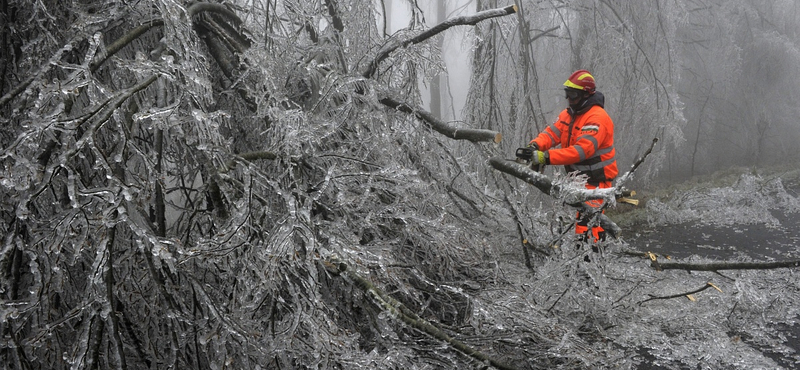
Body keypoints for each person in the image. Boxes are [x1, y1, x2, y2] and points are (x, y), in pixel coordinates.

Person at [523, 69, 618, 242]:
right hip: (578, 180)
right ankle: (580, 260)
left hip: (597, 182)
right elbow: (552, 134)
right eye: (567, 94)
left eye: (573, 94)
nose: (569, 98)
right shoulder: (569, 115)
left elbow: (581, 151)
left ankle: (591, 262)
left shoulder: (597, 118)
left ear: (586, 95)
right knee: (576, 224)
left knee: (588, 228)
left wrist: (546, 157)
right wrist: (535, 145)